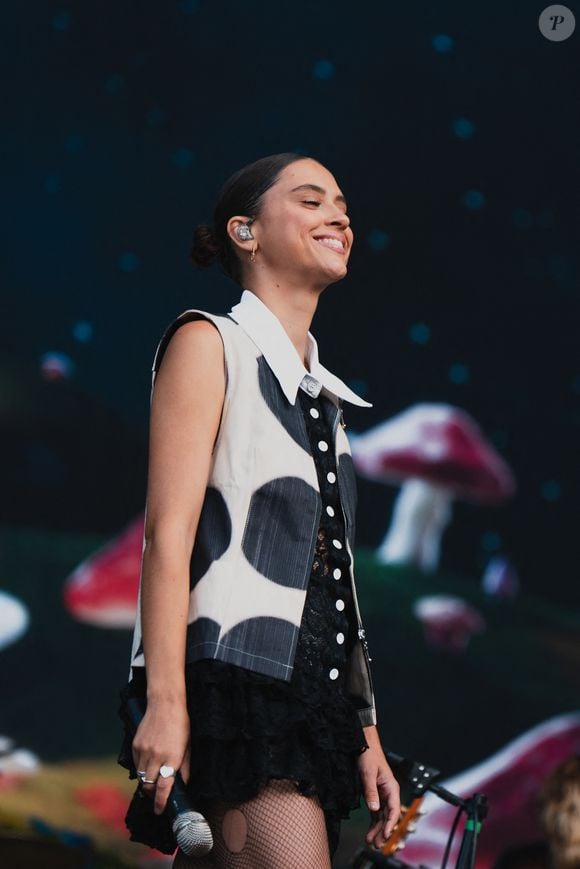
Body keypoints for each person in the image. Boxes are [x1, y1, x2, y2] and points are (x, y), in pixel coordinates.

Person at [117, 152, 400, 868]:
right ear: (245, 231)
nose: (338, 215)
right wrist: (165, 700)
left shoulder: (327, 401)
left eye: (341, 203)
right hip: (238, 685)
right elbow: (167, 535)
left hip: (311, 704)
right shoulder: (209, 343)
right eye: (310, 201)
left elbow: (331, 578)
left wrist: (365, 732)